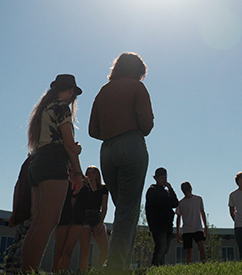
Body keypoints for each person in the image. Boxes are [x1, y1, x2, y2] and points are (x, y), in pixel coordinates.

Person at [89, 52, 154, 271]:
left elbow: (92, 130)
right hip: (131, 144)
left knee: (124, 210)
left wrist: (112, 132)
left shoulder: (103, 91)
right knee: (127, 211)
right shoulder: (137, 87)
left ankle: (121, 265)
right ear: (136, 71)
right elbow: (147, 125)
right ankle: (115, 265)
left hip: (106, 151)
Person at [21, 74, 84, 273]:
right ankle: (31, 269)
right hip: (53, 163)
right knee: (48, 222)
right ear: (72, 90)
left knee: (38, 223)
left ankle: (26, 270)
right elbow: (67, 144)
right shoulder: (61, 108)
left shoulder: (45, 108)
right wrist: (78, 172)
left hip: (37, 162)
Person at [61, 166, 109, 271]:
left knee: (105, 248)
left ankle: (101, 269)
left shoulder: (103, 188)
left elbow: (104, 206)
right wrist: (82, 184)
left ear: (97, 175)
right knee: (85, 249)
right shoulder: (84, 187)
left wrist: (101, 222)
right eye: (88, 173)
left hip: (97, 216)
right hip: (85, 217)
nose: (90, 175)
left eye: (93, 173)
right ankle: (83, 271)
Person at [4, 155, 33, 273]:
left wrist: (14, 211)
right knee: (24, 245)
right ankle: (16, 270)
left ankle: (10, 270)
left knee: (17, 244)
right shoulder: (38, 162)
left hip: (22, 210)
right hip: (29, 211)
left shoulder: (26, 163)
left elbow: (17, 186)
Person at [145, 167, 179, 266]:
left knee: (165, 249)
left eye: (165, 178)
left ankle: (160, 267)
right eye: (162, 178)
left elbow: (175, 203)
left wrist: (171, 189)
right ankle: (154, 267)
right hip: (158, 225)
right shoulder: (152, 191)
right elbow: (150, 209)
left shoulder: (166, 192)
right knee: (160, 247)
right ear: (156, 179)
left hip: (167, 224)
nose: (164, 180)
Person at [176, 181, 208, 264]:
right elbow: (178, 217)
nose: (187, 193)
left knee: (201, 247)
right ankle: (189, 266)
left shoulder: (198, 199)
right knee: (188, 251)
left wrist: (205, 226)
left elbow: (202, 212)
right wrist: (178, 232)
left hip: (197, 228)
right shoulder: (181, 203)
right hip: (187, 230)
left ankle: (204, 264)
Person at [52, 184, 78, 271]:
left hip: (76, 219)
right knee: (59, 250)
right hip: (63, 217)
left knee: (68, 251)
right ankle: (56, 271)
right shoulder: (63, 183)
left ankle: (62, 271)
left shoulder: (79, 184)